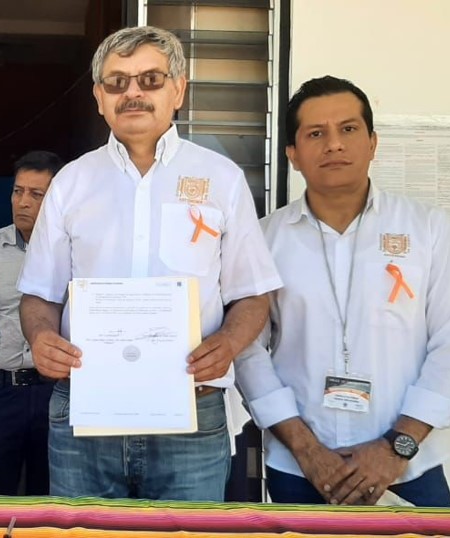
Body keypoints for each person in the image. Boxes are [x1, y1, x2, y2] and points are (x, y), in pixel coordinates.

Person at [18, 26, 282, 502]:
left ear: (178, 90)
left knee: (186, 535)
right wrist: (40, 337)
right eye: (117, 82)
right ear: (99, 97)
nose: (133, 92)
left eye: (150, 79)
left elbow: (253, 293)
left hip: (192, 410)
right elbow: (40, 294)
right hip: (87, 409)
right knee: (81, 535)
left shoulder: (221, 178)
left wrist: (228, 342)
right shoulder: (70, 183)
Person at [235, 75, 450, 507]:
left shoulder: (429, 230)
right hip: (302, 471)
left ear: (372, 143)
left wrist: (396, 448)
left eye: (348, 129)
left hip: (411, 467)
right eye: (316, 133)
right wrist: (306, 450)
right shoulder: (263, 240)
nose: (334, 144)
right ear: (293, 154)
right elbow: (246, 351)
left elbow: (449, 342)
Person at [0, 150, 63, 495]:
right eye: (18, 191)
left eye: (36, 194)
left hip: (57, 392)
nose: (23, 202)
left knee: (51, 502)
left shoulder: (77, 252)